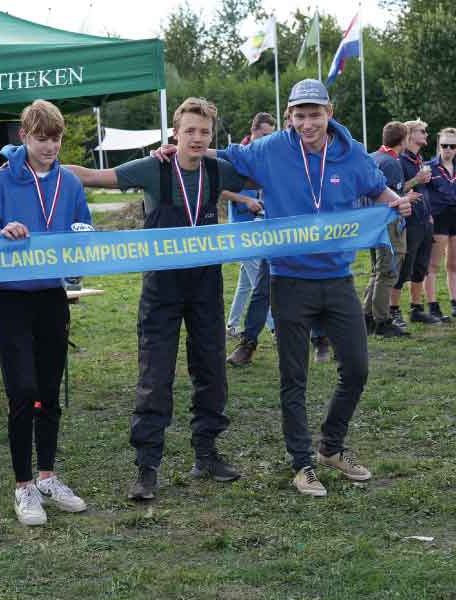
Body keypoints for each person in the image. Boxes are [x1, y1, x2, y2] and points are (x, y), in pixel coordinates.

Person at [215, 80, 413, 496]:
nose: (307, 123)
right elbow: (223, 157)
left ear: (330, 113)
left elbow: (376, 188)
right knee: (295, 377)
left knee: (356, 368)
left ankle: (331, 447)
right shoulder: (271, 149)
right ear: (289, 116)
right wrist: (176, 151)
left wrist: (395, 201)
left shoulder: (351, 152)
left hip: (338, 279)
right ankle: (301, 463)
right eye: (300, 115)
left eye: (315, 114)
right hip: (289, 279)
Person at [68, 97, 247, 501]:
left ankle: (207, 454)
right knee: (155, 377)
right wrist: (36, 165)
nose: (197, 138)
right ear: (175, 134)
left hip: (205, 285)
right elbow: (93, 177)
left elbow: (267, 171)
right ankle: (146, 468)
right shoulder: (153, 168)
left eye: (204, 132)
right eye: (190, 131)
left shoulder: (219, 170)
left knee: (212, 372)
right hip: (162, 289)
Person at [0, 100, 91, 526]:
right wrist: (0, 231)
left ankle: (48, 477)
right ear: (23, 137)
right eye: (41, 139)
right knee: (22, 390)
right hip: (12, 297)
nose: (50, 147)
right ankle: (23, 485)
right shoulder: (1, 181)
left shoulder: (69, 182)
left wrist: (81, 248)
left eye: (56, 139)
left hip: (52, 297)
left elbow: (83, 229)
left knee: (49, 392)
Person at [224, 113, 276, 339]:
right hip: (240, 229)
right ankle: (276, 328)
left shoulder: (263, 156)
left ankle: (232, 324)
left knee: (246, 281)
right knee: (260, 283)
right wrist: (245, 200)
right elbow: (219, 189)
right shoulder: (235, 156)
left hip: (257, 226)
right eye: (264, 135)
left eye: (271, 136)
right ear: (253, 131)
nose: (267, 140)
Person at [362, 122, 410, 338]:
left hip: (371, 221)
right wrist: (407, 198)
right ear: (403, 140)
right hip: (387, 222)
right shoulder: (391, 162)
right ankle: (382, 320)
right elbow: (393, 198)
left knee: (378, 270)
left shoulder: (373, 157)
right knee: (389, 269)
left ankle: (367, 316)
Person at [391, 120, 436, 326]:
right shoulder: (399, 160)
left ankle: (416, 308)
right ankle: (393, 310)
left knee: (421, 266)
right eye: (422, 131)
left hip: (424, 220)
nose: (426, 134)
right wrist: (416, 180)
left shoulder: (419, 159)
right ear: (409, 135)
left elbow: (424, 191)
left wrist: (429, 214)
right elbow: (394, 190)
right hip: (408, 221)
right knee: (403, 268)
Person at [422, 127, 456, 323]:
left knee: (453, 264)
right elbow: (420, 192)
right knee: (433, 264)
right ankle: (433, 306)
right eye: (444, 145)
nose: (448, 149)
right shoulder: (428, 167)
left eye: (452, 146)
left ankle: (454, 301)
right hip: (438, 218)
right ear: (438, 146)